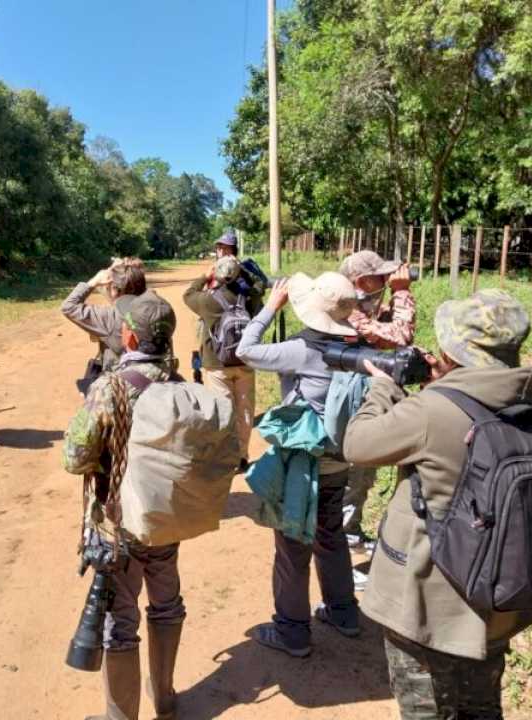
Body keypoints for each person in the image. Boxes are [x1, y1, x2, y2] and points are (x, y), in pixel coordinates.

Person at [343, 289, 532, 720]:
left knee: (428, 709)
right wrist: (447, 383)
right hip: (498, 592)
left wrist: (382, 388)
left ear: (453, 349)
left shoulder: (433, 411)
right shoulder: (529, 403)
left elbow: (357, 444)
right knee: (482, 707)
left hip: (429, 604)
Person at [63, 291, 184, 720]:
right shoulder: (182, 385)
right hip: (167, 518)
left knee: (120, 620)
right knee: (167, 601)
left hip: (120, 523)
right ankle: (165, 697)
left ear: (129, 338)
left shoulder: (110, 387)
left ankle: (121, 716)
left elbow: (74, 459)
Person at [235, 272, 361, 657]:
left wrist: (271, 308)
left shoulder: (301, 350)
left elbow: (246, 349)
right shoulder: (356, 347)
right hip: (340, 460)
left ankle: (292, 631)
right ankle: (344, 614)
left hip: (304, 466)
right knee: (331, 535)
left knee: (292, 546)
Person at [338, 250, 417, 556]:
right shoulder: (347, 313)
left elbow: (394, 328)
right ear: (360, 281)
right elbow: (400, 336)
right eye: (380, 277)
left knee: (360, 477)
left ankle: (350, 533)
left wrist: (398, 298)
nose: (386, 281)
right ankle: (343, 546)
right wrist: (402, 293)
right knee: (352, 479)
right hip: (351, 411)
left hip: (359, 405)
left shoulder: (360, 307)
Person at [183, 254, 258, 469]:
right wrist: (244, 272)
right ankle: (242, 455)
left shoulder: (208, 301)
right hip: (245, 361)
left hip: (217, 363)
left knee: (224, 410)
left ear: (217, 274)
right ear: (237, 275)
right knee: (245, 410)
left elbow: (188, 295)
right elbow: (259, 286)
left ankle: (226, 456)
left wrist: (205, 277)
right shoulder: (249, 298)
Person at [61, 258, 147, 383]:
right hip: (153, 383)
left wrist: (95, 281)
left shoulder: (109, 318)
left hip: (120, 384)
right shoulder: (155, 309)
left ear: (114, 289)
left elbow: (68, 306)